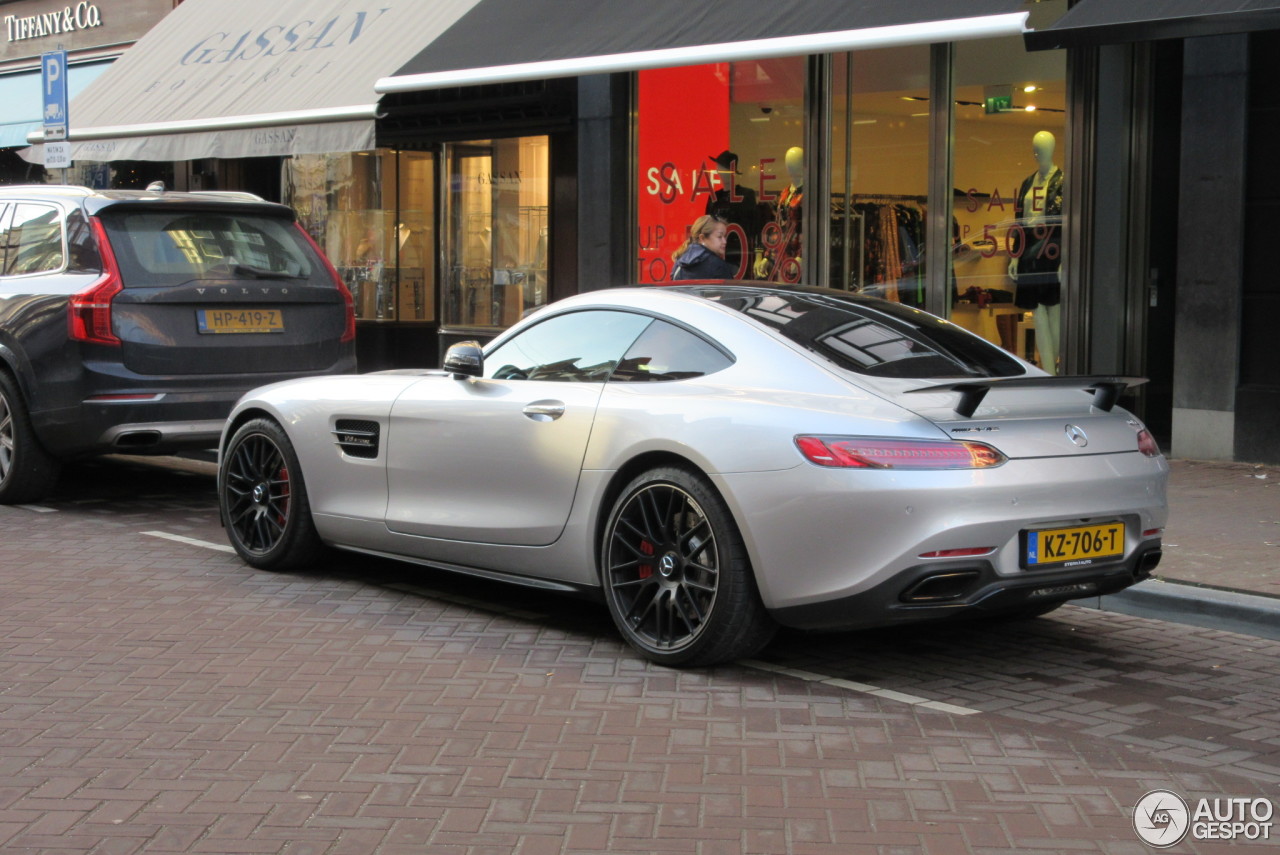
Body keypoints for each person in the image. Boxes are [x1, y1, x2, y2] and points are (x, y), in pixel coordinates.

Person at [1008, 130, 1063, 374]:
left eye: (1043, 147)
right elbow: (1019, 220)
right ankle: (1048, 370)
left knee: (1054, 309)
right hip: (1030, 248)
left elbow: (1069, 223)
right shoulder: (1028, 183)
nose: (1038, 152)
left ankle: (1056, 367)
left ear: (1052, 149)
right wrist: (1015, 254)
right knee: (1038, 311)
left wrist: (1066, 259)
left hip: (1052, 247)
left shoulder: (1064, 182)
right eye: (1036, 148)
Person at [671, 214, 737, 280]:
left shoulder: (680, 261)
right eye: (719, 237)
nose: (725, 241)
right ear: (702, 238)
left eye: (724, 236)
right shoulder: (718, 266)